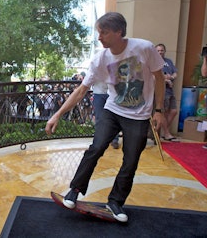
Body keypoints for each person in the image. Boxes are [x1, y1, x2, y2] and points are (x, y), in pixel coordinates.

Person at [45, 12, 166, 222]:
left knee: (130, 161)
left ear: (119, 32)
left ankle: (116, 202)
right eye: (99, 32)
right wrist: (57, 115)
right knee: (97, 147)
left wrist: (159, 110)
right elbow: (81, 91)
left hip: (138, 115)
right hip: (113, 111)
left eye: (104, 32)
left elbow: (159, 78)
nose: (99, 37)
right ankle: (75, 189)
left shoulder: (144, 48)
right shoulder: (101, 58)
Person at [155, 43, 179, 142]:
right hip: (162, 90)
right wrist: (165, 79)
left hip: (170, 90)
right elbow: (155, 77)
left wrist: (171, 77)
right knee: (163, 113)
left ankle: (164, 131)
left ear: (164, 51)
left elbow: (175, 73)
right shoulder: (154, 62)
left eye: (162, 50)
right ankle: (167, 133)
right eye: (158, 50)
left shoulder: (168, 61)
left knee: (174, 111)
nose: (160, 52)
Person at [92, 82, 120, 149]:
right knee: (99, 118)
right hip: (98, 92)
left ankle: (115, 140)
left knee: (114, 116)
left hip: (112, 93)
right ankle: (99, 140)